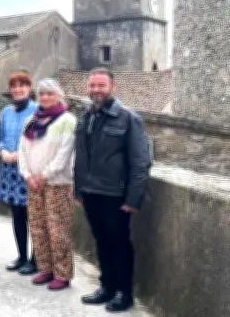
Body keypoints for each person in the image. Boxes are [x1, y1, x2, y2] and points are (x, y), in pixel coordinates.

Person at [76, 68, 151, 313]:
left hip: (115, 195)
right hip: (90, 192)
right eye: (93, 85)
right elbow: (82, 157)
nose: (96, 90)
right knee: (101, 241)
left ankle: (124, 292)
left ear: (113, 87)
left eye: (101, 85)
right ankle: (106, 286)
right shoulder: (86, 116)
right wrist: (79, 189)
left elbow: (140, 162)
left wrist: (133, 199)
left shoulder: (129, 118)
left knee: (119, 243)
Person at [18, 78, 77, 291]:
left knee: (57, 228)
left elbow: (64, 154)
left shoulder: (67, 120)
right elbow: (22, 151)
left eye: (50, 93)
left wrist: (44, 175)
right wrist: (27, 175)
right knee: (38, 227)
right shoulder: (31, 121)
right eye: (42, 93)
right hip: (33, 183)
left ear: (59, 96)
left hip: (56, 183)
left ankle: (62, 273)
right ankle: (45, 268)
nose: (45, 97)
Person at [0, 71, 40, 275]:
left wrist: (19, 155)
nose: (18, 89)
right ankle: (21, 255)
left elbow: (39, 141)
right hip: (9, 169)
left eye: (22, 85)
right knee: (16, 215)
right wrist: (3, 150)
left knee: (33, 216)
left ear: (29, 89)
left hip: (28, 169)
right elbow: (0, 137)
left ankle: (35, 259)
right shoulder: (6, 111)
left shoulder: (38, 111)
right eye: (14, 86)